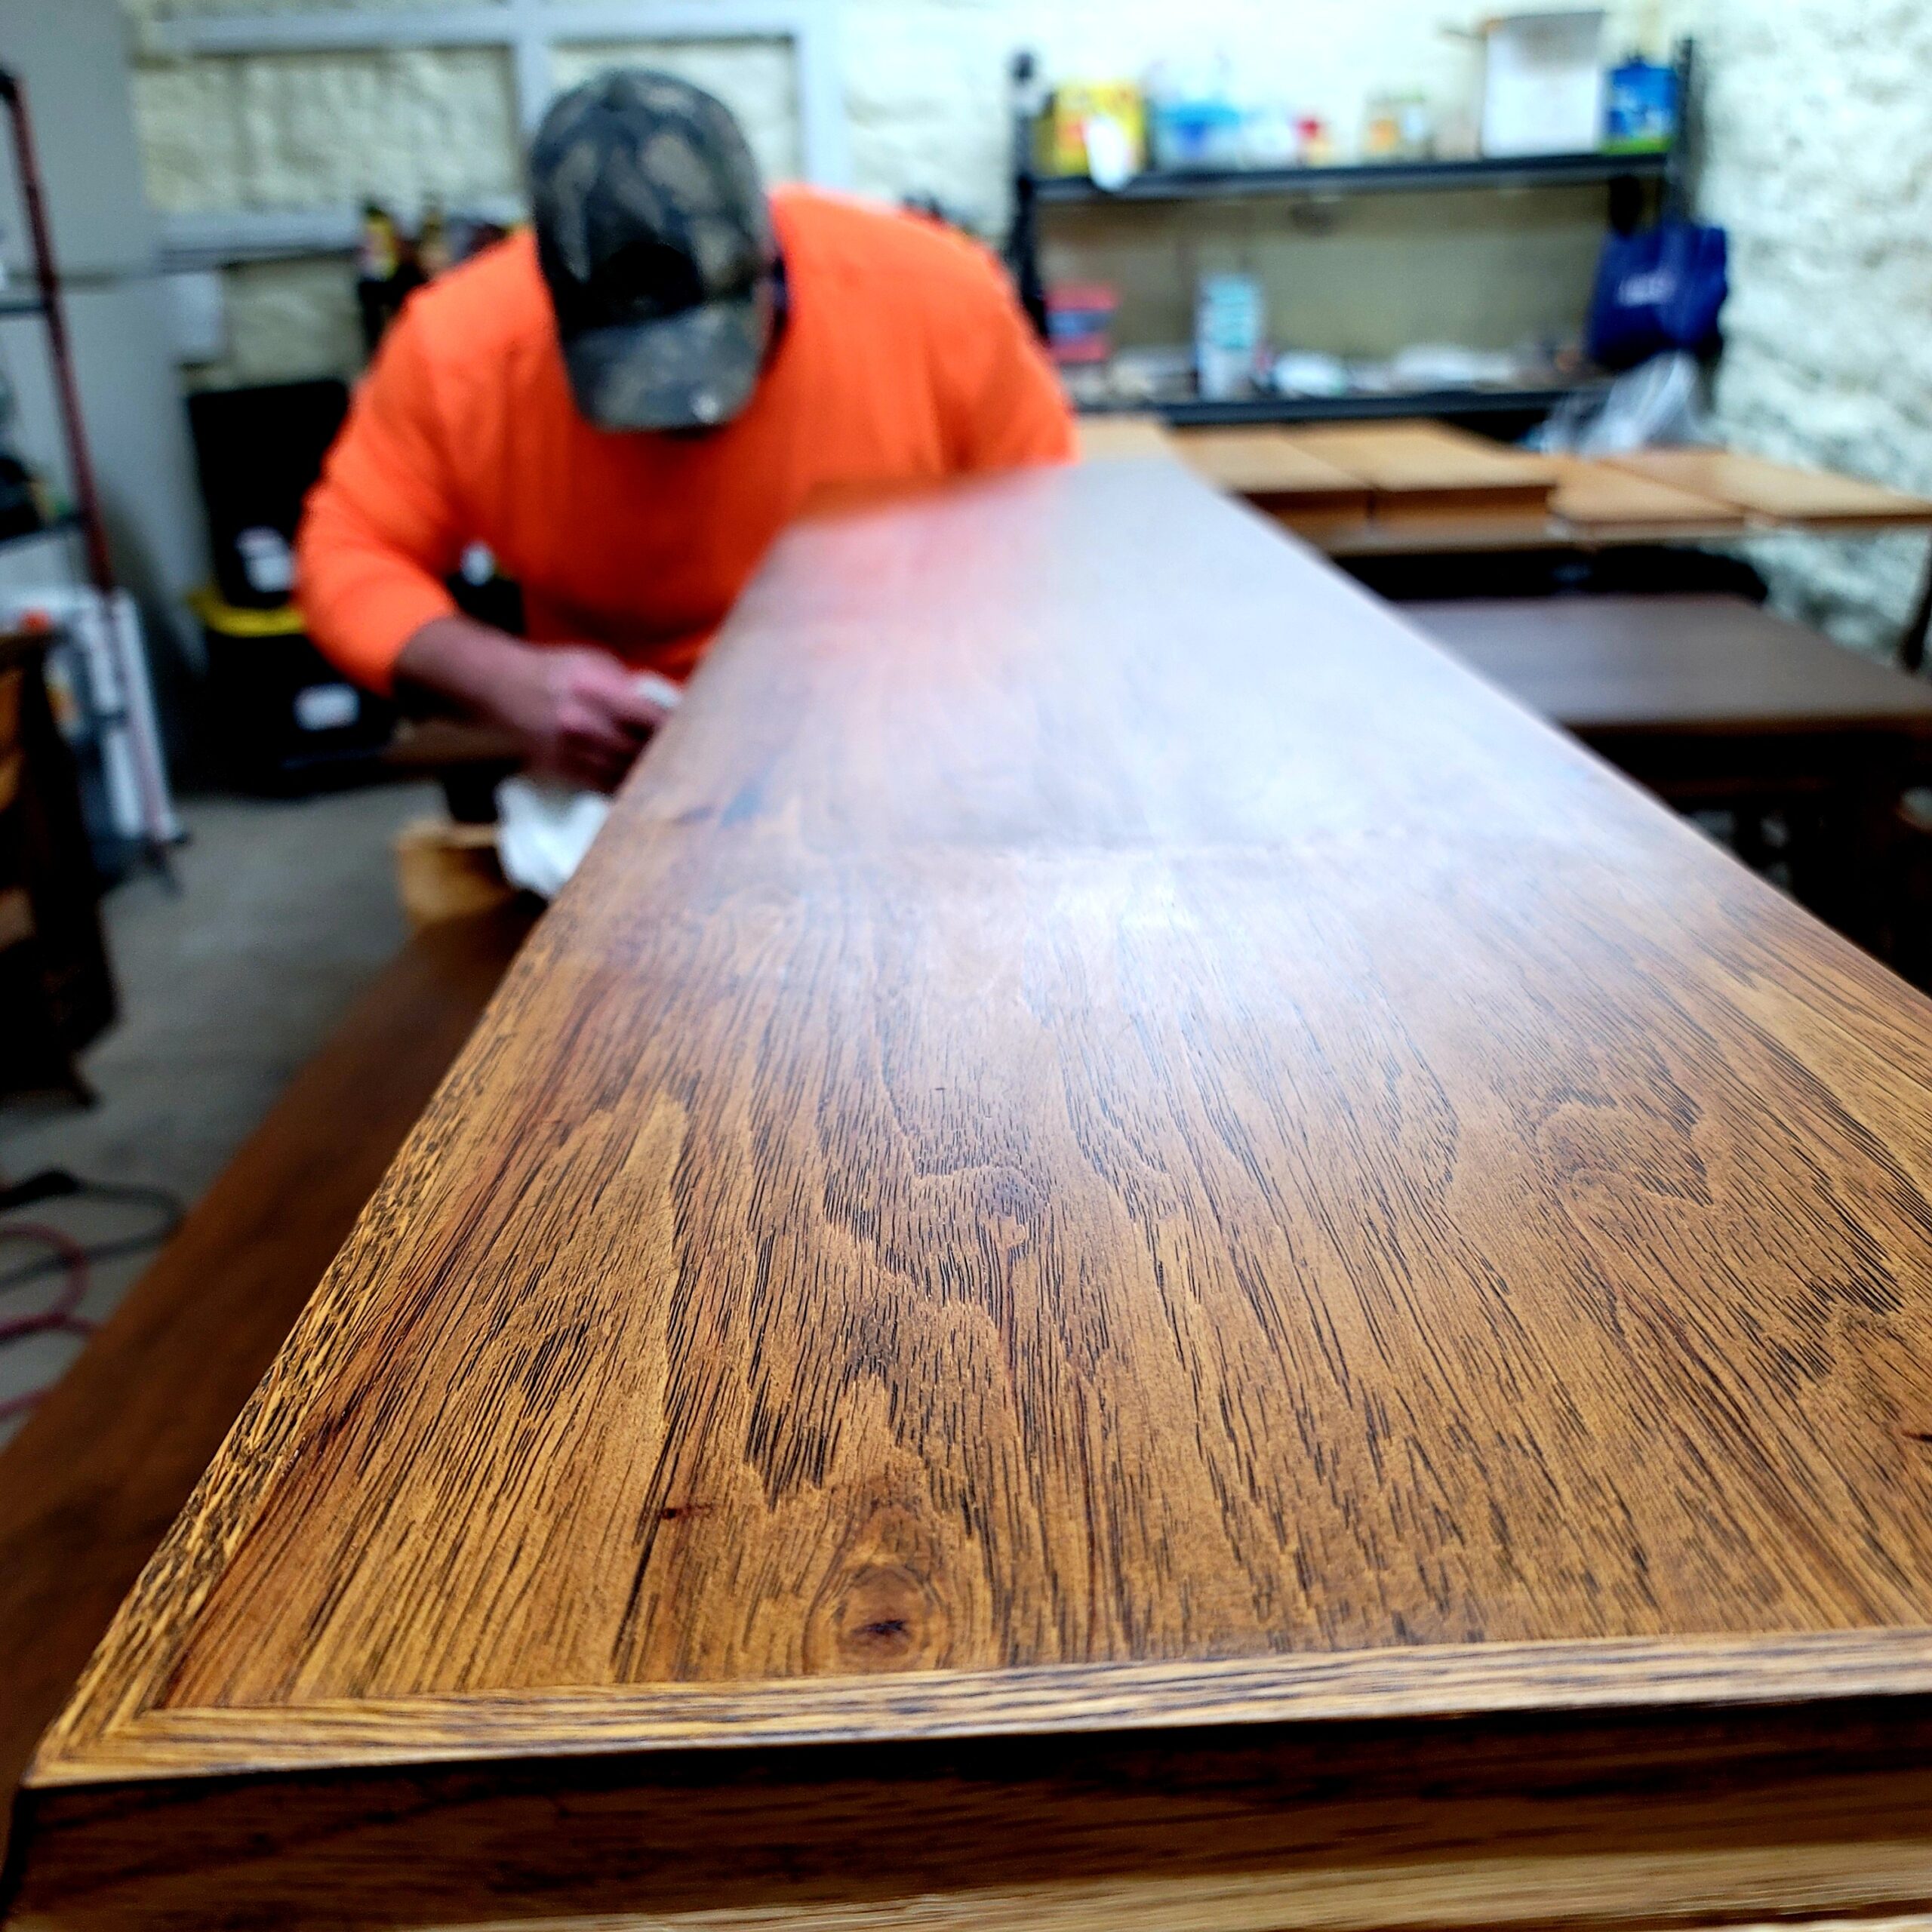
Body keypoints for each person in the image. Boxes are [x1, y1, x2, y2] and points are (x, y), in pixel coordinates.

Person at [296, 70, 1075, 792]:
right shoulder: (462, 352)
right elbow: (346, 554)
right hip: (637, 777)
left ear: (770, 252)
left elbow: (1048, 532)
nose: (688, 418)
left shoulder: (937, 302)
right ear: (550, 301)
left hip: (907, 739)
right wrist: (505, 680)